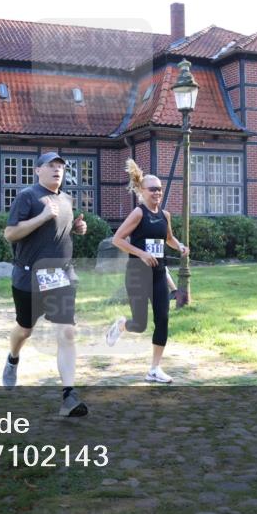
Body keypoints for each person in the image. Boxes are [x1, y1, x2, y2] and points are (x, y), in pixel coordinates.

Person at [1, 152, 89, 416]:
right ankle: (13, 358)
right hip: (29, 277)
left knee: (67, 332)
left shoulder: (66, 199)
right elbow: (10, 234)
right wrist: (41, 217)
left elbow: (54, 232)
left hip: (61, 276)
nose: (57, 170)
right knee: (25, 330)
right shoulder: (27, 196)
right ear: (37, 170)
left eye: (60, 166)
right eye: (51, 166)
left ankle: (69, 396)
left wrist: (75, 228)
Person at [105, 160, 188, 383]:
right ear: (142, 191)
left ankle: (154, 369)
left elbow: (168, 238)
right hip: (137, 275)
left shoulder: (165, 215)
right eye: (153, 189)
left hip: (158, 274)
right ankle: (122, 325)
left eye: (160, 189)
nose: (157, 192)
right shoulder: (138, 213)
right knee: (140, 325)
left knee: (163, 319)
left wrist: (179, 246)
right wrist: (141, 253)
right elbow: (117, 239)